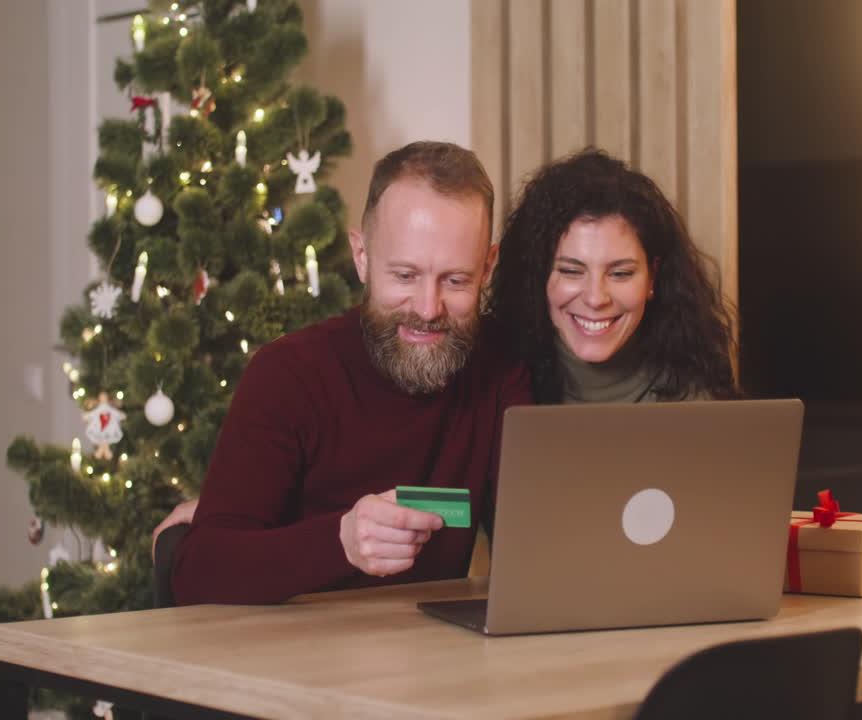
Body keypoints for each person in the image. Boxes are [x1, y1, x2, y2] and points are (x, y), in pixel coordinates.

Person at [169, 141, 530, 605]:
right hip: (291, 661)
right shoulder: (288, 374)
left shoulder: (501, 370)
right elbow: (196, 572)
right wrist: (339, 541)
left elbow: (535, 536)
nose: (428, 308)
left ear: (487, 268)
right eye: (404, 276)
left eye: (456, 280)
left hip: (436, 660)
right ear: (361, 256)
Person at [485, 148, 739, 404]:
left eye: (620, 273)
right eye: (572, 271)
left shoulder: (697, 405)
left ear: (652, 277)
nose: (596, 298)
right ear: (538, 275)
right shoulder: (494, 386)